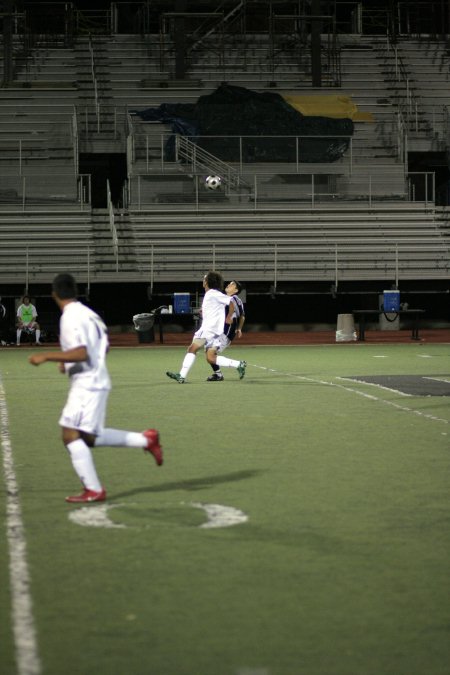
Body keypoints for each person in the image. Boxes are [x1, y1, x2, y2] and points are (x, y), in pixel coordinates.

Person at [28, 273, 163, 504]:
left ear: (54, 294)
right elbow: (103, 347)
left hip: (87, 384)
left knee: (70, 435)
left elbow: (82, 352)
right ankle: (146, 440)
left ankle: (94, 489)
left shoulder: (70, 316)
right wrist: (66, 360)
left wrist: (46, 356)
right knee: (88, 438)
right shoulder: (90, 314)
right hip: (96, 380)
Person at [166, 270, 246, 384]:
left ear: (208, 282)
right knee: (210, 357)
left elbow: (231, 302)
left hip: (210, 331)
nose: (203, 281)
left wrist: (229, 317)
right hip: (210, 330)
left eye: (205, 279)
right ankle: (238, 364)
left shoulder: (213, 293)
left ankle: (182, 376)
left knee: (193, 349)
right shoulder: (211, 294)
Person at [207, 279, 245, 381]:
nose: (229, 284)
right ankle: (218, 375)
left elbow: (242, 316)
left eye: (232, 284)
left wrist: (239, 329)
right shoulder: (223, 298)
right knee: (209, 351)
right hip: (218, 330)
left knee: (210, 353)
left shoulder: (234, 299)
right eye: (229, 283)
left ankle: (238, 365)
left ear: (236, 290)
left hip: (226, 331)